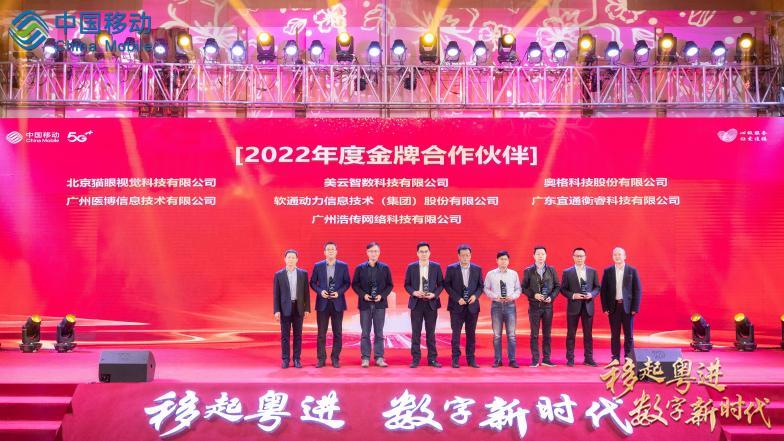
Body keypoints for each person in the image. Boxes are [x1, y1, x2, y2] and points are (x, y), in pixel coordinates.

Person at [309, 241, 351, 368]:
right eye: (328, 249)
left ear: (336, 251)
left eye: (333, 249)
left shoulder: (343, 266)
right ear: (325, 252)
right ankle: (321, 359)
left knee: (337, 333)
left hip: (337, 303)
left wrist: (339, 293)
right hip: (322, 303)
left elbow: (347, 283)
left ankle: (335, 358)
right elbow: (312, 283)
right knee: (321, 334)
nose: (331, 251)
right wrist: (320, 291)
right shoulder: (318, 266)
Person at [352, 242, 393, 368]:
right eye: (371, 251)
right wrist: (363, 295)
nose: (373, 253)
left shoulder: (385, 268)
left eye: (375, 251)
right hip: (365, 304)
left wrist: (382, 295)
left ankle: (379, 358)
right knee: (365, 333)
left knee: (379, 332)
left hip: (380, 304)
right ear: (367, 253)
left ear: (379, 253)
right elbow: (355, 285)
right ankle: (365, 358)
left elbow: (390, 285)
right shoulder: (360, 268)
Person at [404, 242, 444, 368]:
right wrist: (414, 292)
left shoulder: (436, 267)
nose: (424, 254)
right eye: (421, 251)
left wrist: (434, 294)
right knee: (416, 333)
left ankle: (432, 359)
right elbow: (407, 284)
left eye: (426, 251)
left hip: (431, 303)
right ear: (417, 253)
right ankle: (415, 359)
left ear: (429, 253)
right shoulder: (411, 267)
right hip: (416, 303)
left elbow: (441, 284)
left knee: (431, 333)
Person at [444, 244, 484, 368]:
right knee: (456, 334)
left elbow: (480, 286)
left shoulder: (477, 269)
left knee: (471, 334)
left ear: (470, 256)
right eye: (463, 255)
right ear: (458, 256)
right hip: (457, 306)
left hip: (472, 307)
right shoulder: (451, 268)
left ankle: (471, 359)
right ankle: (455, 359)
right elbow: (447, 285)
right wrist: (457, 298)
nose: (465, 257)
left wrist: (475, 296)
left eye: (467, 255)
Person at [560, 247, 600, 367]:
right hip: (573, 307)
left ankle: (588, 358)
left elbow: (597, 287)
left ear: (585, 257)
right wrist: (573, 295)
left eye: (581, 256)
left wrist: (591, 294)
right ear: (573, 257)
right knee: (571, 334)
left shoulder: (592, 271)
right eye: (577, 256)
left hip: (588, 306)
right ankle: (570, 359)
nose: (579, 258)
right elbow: (563, 289)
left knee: (588, 334)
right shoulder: (567, 272)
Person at [600, 247, 642, 362]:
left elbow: (637, 290)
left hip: (628, 307)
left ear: (625, 256)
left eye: (619, 254)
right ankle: (615, 357)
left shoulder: (632, 270)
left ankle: (629, 358)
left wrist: (635, 307)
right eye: (615, 254)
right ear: (612, 256)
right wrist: (605, 307)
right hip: (613, 307)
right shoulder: (608, 271)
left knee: (629, 335)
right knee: (615, 334)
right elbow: (603, 290)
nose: (617, 256)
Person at [521, 246, 560, 367]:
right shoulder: (528, 271)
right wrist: (534, 295)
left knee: (547, 334)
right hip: (534, 307)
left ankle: (546, 359)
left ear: (546, 255)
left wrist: (551, 297)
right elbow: (523, 288)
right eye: (538, 254)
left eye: (543, 254)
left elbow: (557, 286)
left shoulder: (551, 270)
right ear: (534, 256)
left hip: (548, 306)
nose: (540, 256)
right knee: (534, 334)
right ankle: (535, 359)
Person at [484, 251, 522, 368]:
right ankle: (498, 360)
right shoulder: (490, 274)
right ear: (497, 261)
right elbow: (485, 288)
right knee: (497, 335)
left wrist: (512, 296)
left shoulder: (514, 274)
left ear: (508, 261)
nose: (503, 261)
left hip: (510, 305)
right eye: (501, 259)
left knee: (511, 335)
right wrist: (495, 297)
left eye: (505, 259)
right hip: (496, 306)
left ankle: (512, 360)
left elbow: (518, 289)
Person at [273, 249, 310, 368]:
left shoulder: (303, 274)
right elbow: (276, 294)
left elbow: (306, 293)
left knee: (298, 336)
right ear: (285, 259)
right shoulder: (279, 275)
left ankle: (297, 359)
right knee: (285, 336)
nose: (291, 259)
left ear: (297, 259)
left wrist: (307, 308)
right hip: (284, 309)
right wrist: (276, 310)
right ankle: (285, 359)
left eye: (293, 257)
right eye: (289, 257)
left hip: (298, 308)